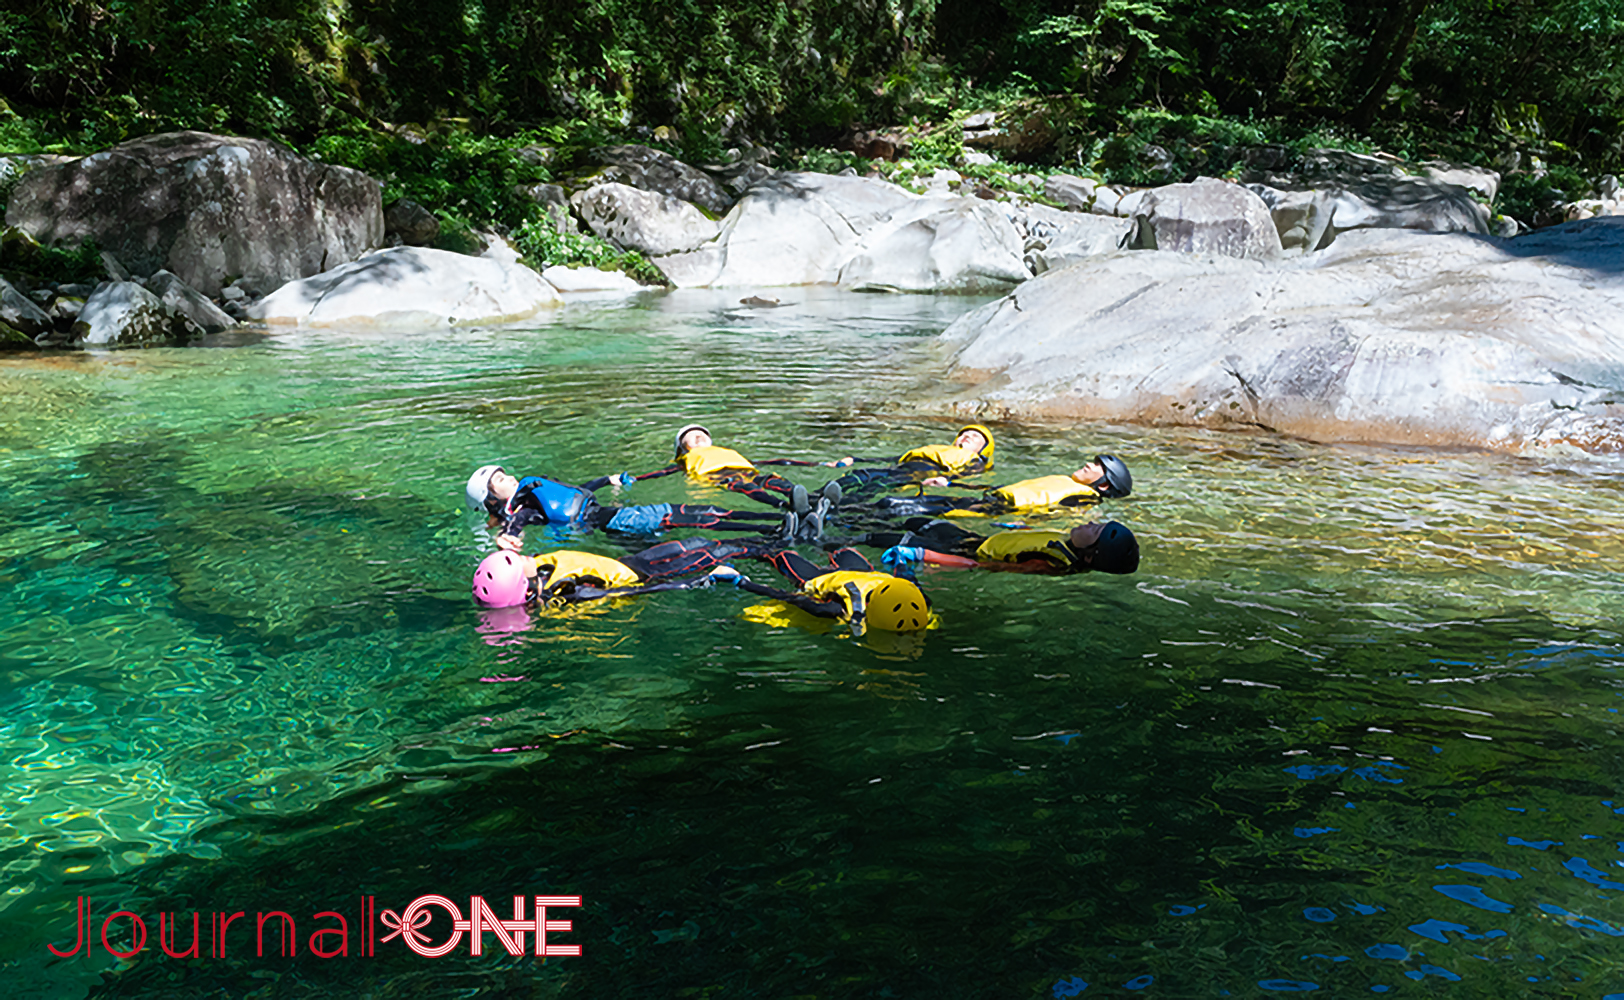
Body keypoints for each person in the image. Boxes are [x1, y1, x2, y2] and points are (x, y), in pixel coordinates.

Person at [467, 463, 790, 550]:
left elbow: (580, 490)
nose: (508, 478)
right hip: (618, 520)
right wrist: (507, 535)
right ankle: (775, 524)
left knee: (690, 536)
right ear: (494, 500)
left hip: (612, 523)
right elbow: (519, 521)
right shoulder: (525, 507)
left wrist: (609, 479)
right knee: (694, 515)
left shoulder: (536, 491)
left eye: (504, 472)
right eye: (499, 481)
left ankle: (773, 529)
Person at [471, 536, 776, 609]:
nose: (516, 554)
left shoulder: (538, 569)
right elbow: (631, 592)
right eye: (512, 558)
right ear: (526, 586)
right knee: (715, 553)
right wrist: (696, 583)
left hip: (633, 560)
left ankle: (776, 538)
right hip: (647, 575)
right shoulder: (570, 592)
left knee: (697, 542)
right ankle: (779, 547)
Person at [707, 546, 934, 634]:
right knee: (778, 555)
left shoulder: (921, 600)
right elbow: (787, 597)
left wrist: (741, 581)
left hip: (843, 577)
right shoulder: (839, 609)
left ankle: (806, 535)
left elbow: (908, 578)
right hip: (839, 576)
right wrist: (742, 582)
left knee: (791, 556)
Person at [624, 424, 844, 513]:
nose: (698, 435)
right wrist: (635, 478)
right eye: (690, 436)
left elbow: (778, 461)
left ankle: (814, 499)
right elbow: (664, 472)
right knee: (744, 487)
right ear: (682, 448)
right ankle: (785, 506)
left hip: (745, 470)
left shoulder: (726, 452)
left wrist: (821, 464)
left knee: (772, 479)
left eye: (702, 433)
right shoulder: (685, 460)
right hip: (717, 476)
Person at [858, 518, 1141, 576]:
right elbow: (1038, 536)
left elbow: (987, 566)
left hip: (964, 551)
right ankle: (845, 517)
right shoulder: (1069, 542)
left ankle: (827, 539)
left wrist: (925, 556)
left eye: (1095, 530)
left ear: (1090, 556)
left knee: (886, 539)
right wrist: (1017, 528)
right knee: (915, 519)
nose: (1090, 522)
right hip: (970, 538)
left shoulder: (1050, 563)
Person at [821, 423, 998, 501]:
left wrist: (948, 481)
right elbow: (894, 459)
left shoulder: (975, 460)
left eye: (975, 437)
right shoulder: (937, 448)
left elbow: (969, 472)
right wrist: (856, 459)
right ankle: (814, 497)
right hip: (902, 468)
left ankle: (840, 507)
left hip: (924, 472)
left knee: (877, 485)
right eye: (964, 434)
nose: (967, 436)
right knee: (858, 475)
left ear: (983, 448)